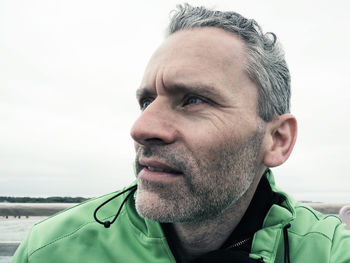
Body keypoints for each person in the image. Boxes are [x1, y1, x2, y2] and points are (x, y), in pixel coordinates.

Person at [11, 3, 350, 263]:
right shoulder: (51, 249)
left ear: (277, 140)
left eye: (193, 100)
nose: (141, 128)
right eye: (146, 102)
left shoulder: (326, 250)